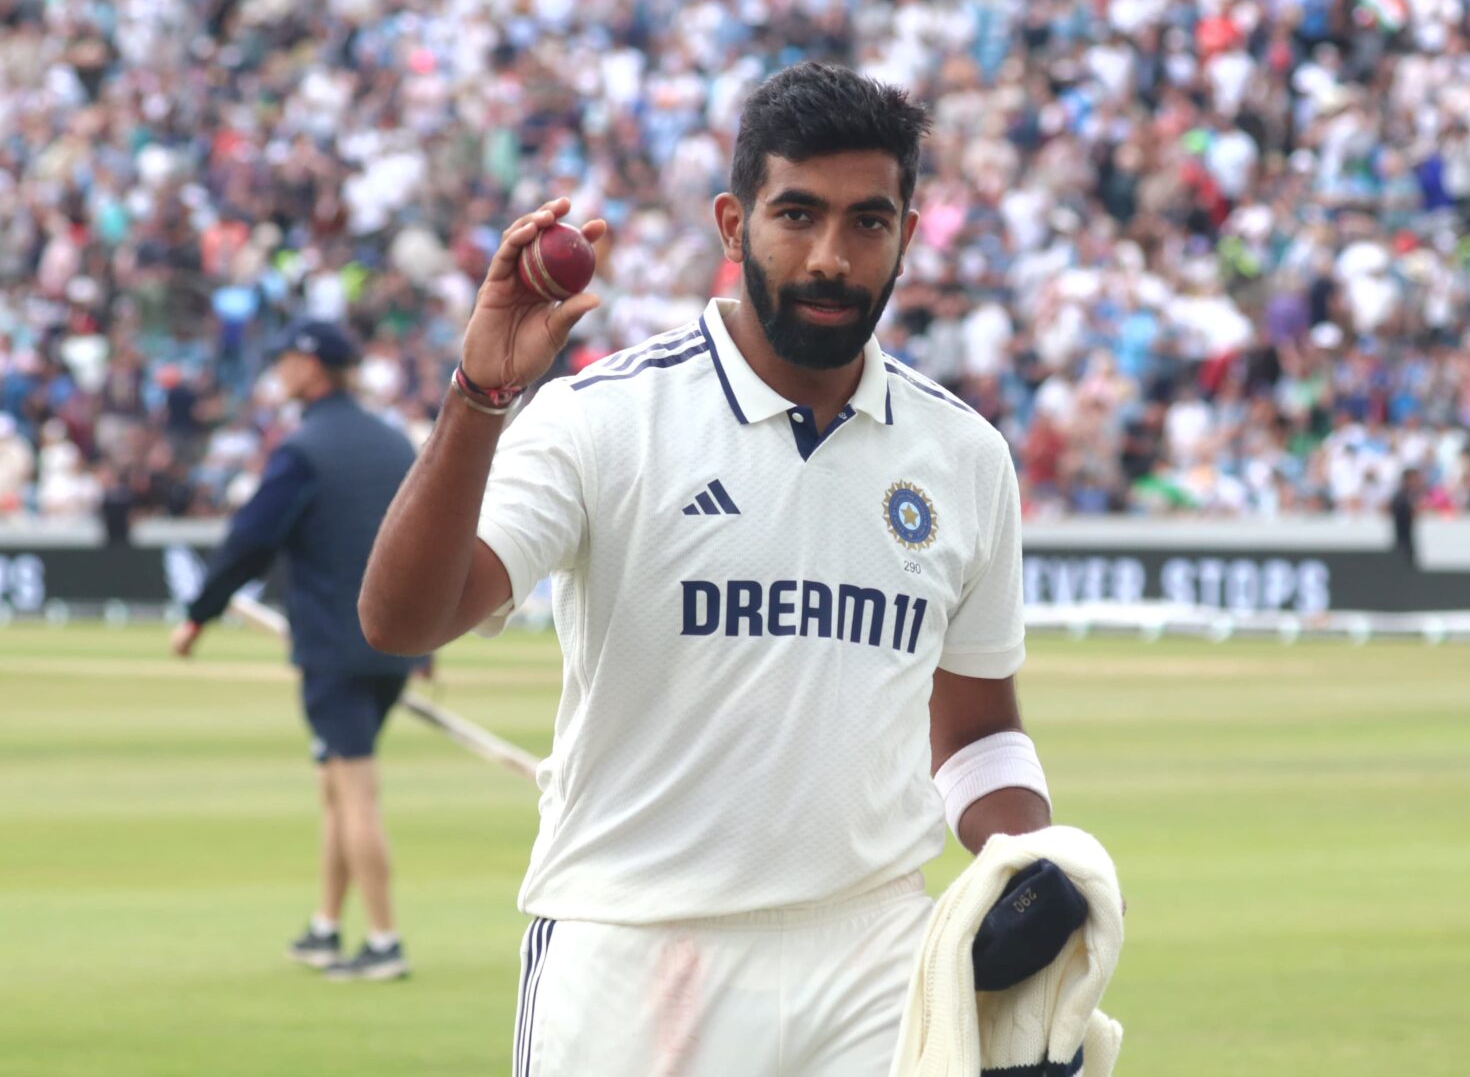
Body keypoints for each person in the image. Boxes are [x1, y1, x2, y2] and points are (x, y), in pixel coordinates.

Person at [360, 62, 1053, 1073]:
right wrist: (479, 397)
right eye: (797, 215)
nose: (830, 256)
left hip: (871, 952)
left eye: (868, 222)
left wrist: (1029, 865)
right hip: (636, 947)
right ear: (733, 224)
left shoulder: (965, 456)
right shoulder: (607, 419)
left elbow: (980, 735)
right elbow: (402, 621)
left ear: (907, 234)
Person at [171, 320, 421, 982]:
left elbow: (250, 539)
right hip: (395, 645)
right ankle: (326, 927)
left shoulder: (303, 449)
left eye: (288, 359)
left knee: (355, 790)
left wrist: (199, 615)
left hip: (334, 647)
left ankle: (385, 941)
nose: (280, 369)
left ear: (314, 369)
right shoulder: (394, 441)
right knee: (337, 788)